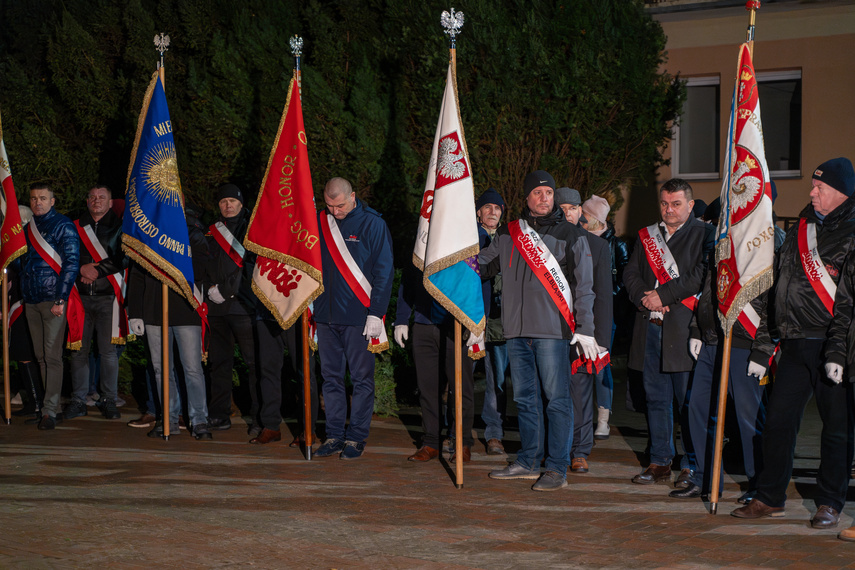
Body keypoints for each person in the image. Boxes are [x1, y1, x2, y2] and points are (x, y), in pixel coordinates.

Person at [733, 157, 855, 531]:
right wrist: (763, 347)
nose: (812, 191)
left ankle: (830, 502)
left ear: (840, 192)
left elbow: (849, 301)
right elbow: (778, 291)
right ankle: (770, 497)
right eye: (813, 186)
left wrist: (836, 351)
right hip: (793, 343)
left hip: (831, 348)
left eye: (819, 187)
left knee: (836, 429)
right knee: (779, 424)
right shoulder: (802, 224)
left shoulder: (851, 231)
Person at [479, 170, 597, 491]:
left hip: (552, 332)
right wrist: (450, 262)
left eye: (548, 193)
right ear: (527, 197)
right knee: (526, 400)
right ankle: (528, 460)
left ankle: (557, 467)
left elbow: (584, 287)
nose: (544, 198)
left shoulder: (571, 234)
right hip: (516, 331)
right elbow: (482, 265)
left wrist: (585, 329)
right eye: (537, 193)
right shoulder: (509, 233)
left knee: (557, 400)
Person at [624, 178, 714, 488]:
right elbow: (630, 272)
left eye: (676, 204)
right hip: (650, 327)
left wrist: (664, 295)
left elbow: (701, 275)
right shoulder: (647, 235)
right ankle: (660, 461)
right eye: (664, 203)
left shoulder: (704, 234)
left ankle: (691, 464)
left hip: (685, 329)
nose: (669, 209)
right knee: (655, 399)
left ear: (690, 205)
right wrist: (645, 296)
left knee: (686, 401)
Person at [671, 261, 773, 501]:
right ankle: (706, 479)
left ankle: (759, 486)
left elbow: (773, 306)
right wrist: (697, 329)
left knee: (748, 419)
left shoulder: (765, 249)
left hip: (745, 345)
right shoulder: (722, 245)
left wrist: (763, 350)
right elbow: (709, 292)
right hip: (711, 343)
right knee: (698, 410)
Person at [313, 177, 394, 460]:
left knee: (361, 379)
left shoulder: (373, 224)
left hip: (359, 316)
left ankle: (356, 437)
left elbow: (384, 273)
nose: (335, 212)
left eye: (340, 205)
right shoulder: (319, 221)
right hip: (324, 314)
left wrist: (376, 313)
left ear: (353, 196)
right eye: (329, 206)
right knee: (331, 378)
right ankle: (334, 434)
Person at [127, 204, 212, 441]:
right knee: (161, 369)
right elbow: (136, 275)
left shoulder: (193, 232)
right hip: (154, 311)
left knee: (192, 369)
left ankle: (199, 420)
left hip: (185, 311)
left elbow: (202, 269)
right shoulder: (146, 235)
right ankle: (169, 419)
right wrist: (135, 311)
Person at [394, 263, 476, 462]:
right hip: (424, 321)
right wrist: (402, 318)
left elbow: (478, 279)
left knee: (461, 388)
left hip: (457, 321)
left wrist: (478, 320)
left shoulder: (467, 235)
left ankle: (462, 442)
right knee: (427, 388)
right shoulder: (423, 235)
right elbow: (409, 279)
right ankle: (431, 442)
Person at [556, 187, 612, 474]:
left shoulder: (598, 246)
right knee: (551, 394)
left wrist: (601, 339)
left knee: (580, 393)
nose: (568, 213)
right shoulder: (542, 243)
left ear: (581, 214)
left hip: (583, 333)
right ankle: (554, 449)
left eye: (573, 208)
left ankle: (579, 451)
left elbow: (603, 295)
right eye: (562, 208)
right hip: (550, 331)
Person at [18, 183, 80, 430]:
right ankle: (46, 407)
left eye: (43, 198)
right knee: (41, 357)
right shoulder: (28, 227)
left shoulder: (63, 225)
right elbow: (22, 262)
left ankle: (50, 411)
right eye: (33, 199)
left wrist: (61, 299)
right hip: (31, 298)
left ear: (52, 201)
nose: (37, 202)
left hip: (53, 299)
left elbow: (72, 263)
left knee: (52, 357)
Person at [67, 185, 126, 421]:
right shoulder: (74, 226)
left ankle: (109, 399)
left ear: (111, 202)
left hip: (107, 298)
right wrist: (81, 268)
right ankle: (78, 400)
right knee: (78, 352)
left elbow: (124, 258)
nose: (96, 200)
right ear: (87, 200)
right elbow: (66, 255)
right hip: (79, 298)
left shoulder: (120, 227)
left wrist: (97, 271)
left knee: (108, 353)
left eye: (102, 197)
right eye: (92, 197)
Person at [205, 183, 259, 433]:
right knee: (219, 364)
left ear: (241, 203)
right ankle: (219, 414)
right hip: (215, 309)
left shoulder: (251, 229)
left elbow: (249, 266)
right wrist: (207, 290)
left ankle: (259, 418)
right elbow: (203, 264)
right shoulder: (210, 231)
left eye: (232, 201)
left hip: (242, 306)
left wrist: (225, 290)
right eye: (223, 201)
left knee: (253, 363)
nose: (228, 206)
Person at [581, 195, 631, 439]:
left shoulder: (616, 245)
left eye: (586, 215)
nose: (581, 218)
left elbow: (625, 278)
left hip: (604, 313)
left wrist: (605, 295)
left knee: (601, 364)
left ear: (596, 219)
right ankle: (582, 416)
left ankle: (603, 419)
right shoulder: (578, 238)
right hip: (580, 312)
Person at [475, 187, 509, 456]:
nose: (493, 212)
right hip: (472, 316)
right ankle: (455, 430)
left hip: (500, 320)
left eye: (497, 208)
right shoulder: (468, 239)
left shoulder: (510, 240)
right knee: (458, 377)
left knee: (497, 379)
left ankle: (494, 434)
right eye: (488, 208)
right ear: (479, 212)